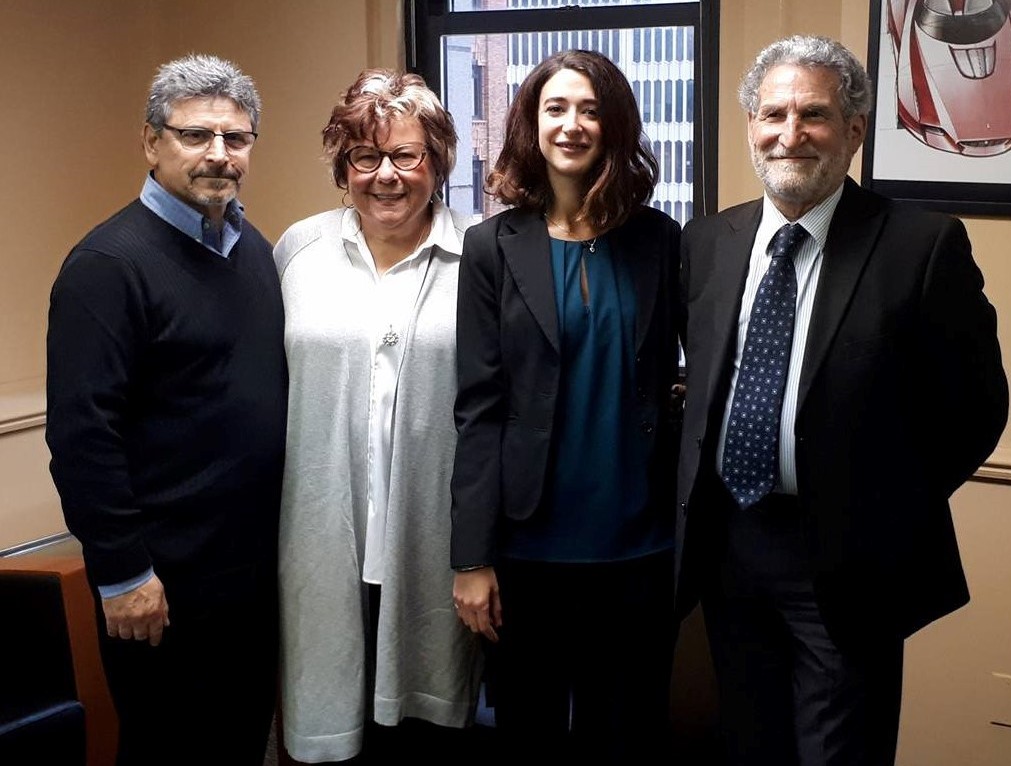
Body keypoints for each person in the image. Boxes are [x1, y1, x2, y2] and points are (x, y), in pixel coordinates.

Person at [676, 35, 1009, 765]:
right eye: (773, 115)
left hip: (848, 561)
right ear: (752, 126)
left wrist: (884, 505)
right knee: (749, 746)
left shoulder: (919, 246)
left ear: (854, 130)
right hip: (729, 547)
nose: (789, 134)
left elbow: (978, 408)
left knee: (840, 754)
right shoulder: (707, 242)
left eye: (815, 115)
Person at [45, 54, 286, 765]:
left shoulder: (255, 253)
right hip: (161, 588)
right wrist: (123, 574)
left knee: (239, 742)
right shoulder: (108, 266)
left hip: (247, 579)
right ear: (152, 142)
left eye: (235, 138)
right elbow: (83, 437)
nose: (219, 154)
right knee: (169, 750)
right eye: (195, 135)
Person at [450, 49, 682, 762]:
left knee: (629, 737)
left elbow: (695, 367)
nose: (572, 124)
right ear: (532, 122)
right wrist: (471, 559)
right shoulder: (490, 247)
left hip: (640, 546)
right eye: (556, 108)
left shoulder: (660, 240)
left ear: (614, 125)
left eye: (590, 110)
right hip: (528, 551)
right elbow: (478, 409)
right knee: (530, 735)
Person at [274, 69, 481, 764]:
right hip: (323, 536)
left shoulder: (482, 253)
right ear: (343, 166)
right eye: (365, 156)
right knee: (332, 720)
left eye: (406, 155)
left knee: (425, 734)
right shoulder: (297, 252)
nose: (385, 175)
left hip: (436, 541)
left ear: (438, 162)